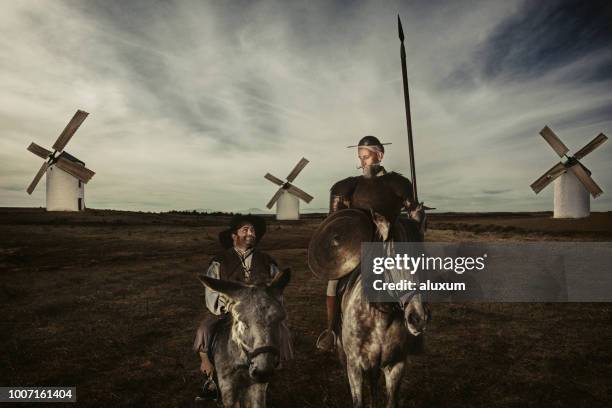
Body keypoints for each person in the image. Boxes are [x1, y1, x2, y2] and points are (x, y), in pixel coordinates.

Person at [316, 135, 426, 352]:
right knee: (334, 283)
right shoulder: (346, 186)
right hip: (357, 248)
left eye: (366, 156)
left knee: (414, 281)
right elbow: (334, 221)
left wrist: (417, 216)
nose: (363, 161)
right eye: (360, 157)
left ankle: (415, 330)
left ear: (380, 155)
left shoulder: (397, 183)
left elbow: (412, 208)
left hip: (391, 244)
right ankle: (332, 331)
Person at [193, 214, 292, 401]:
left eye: (253, 230)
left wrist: (269, 304)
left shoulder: (266, 260)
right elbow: (211, 293)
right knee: (204, 329)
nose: (250, 233)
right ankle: (210, 376)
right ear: (234, 236)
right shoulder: (220, 261)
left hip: (260, 310)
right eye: (245, 230)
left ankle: (272, 363)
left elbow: (276, 289)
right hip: (228, 309)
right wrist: (228, 307)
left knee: (282, 329)